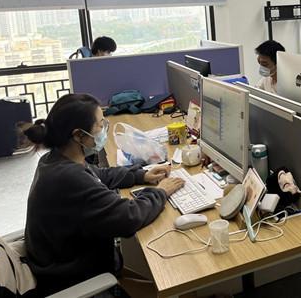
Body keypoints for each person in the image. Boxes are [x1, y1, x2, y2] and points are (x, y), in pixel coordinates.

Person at [23, 93, 184, 296]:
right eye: (100, 125)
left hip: (62, 261)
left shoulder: (55, 159)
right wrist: (160, 192)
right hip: (73, 279)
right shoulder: (69, 178)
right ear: (78, 135)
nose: (104, 129)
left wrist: (141, 175)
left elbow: (99, 174)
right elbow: (128, 217)